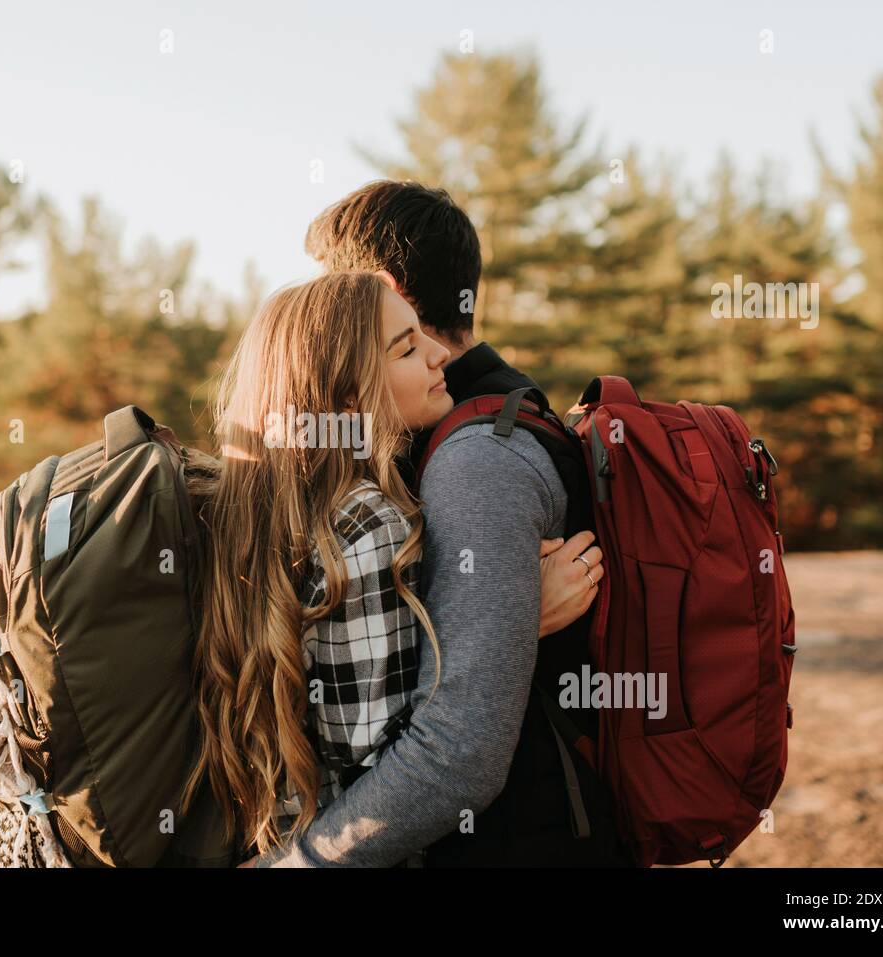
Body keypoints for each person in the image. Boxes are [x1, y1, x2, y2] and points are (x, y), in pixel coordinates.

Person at [247, 180, 634, 867]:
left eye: (330, 285)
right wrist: (506, 613)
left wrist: (296, 863)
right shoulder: (467, 419)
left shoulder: (475, 457)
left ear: (380, 285)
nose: (321, 310)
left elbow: (459, 750)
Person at [179, 270, 602, 863]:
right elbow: (391, 763)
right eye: (405, 348)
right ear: (349, 397)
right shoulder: (367, 524)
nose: (438, 356)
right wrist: (511, 624)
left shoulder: (251, 515)